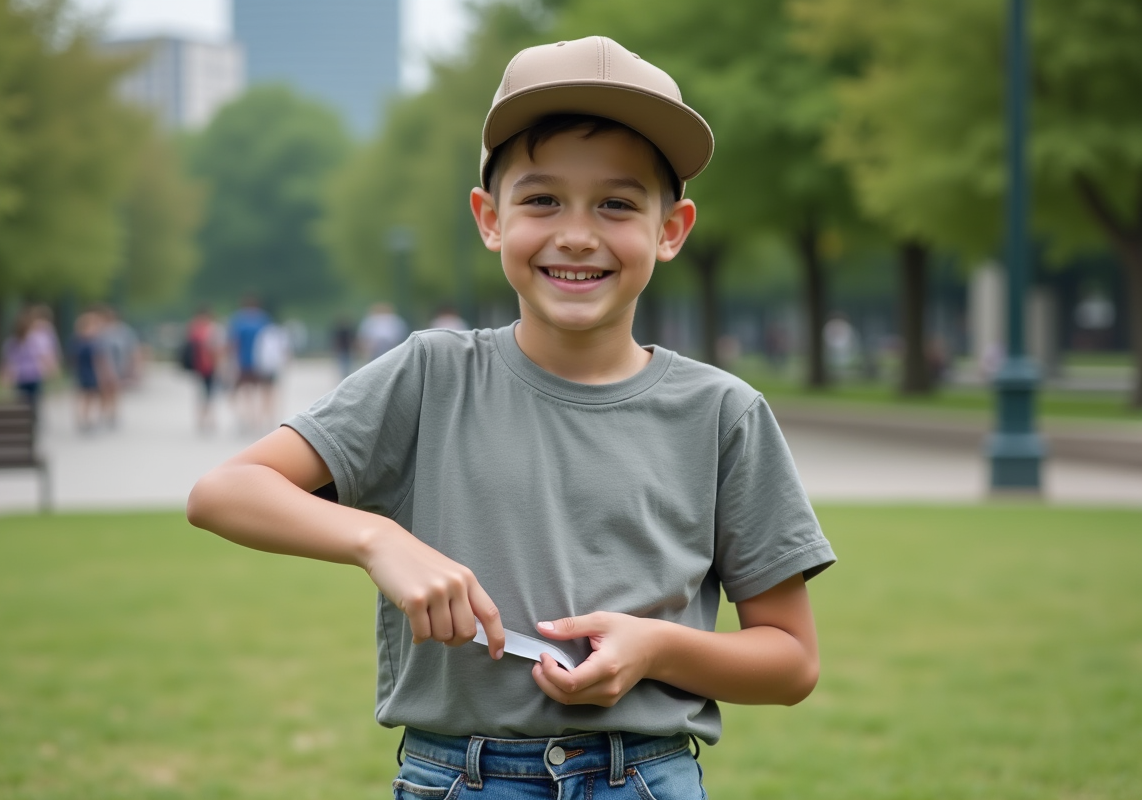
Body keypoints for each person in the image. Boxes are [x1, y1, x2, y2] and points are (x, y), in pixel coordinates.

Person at [188, 36, 835, 799]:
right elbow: (223, 494)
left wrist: (655, 650)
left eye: (617, 204)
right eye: (541, 199)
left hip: (646, 780)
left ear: (671, 230)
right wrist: (378, 540)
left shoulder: (724, 414)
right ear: (489, 218)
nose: (576, 233)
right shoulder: (429, 376)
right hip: (459, 779)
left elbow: (791, 661)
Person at [1, 309, 56, 417]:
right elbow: (43, 356)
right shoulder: (31, 340)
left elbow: (9, 362)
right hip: (29, 375)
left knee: (26, 402)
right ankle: (30, 422)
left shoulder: (13, 342)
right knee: (30, 402)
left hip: (28, 375)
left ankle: (29, 421)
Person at [227, 296, 271, 432]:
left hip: (244, 361)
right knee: (262, 390)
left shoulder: (238, 320)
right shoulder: (263, 319)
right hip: (262, 362)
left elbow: (233, 343)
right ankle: (259, 418)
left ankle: (247, 417)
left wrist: (231, 362)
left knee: (245, 391)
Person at [185, 307, 224, 432]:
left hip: (198, 367)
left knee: (202, 393)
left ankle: (202, 419)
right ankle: (209, 420)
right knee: (210, 394)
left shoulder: (194, 329)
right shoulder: (212, 330)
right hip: (209, 366)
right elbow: (217, 350)